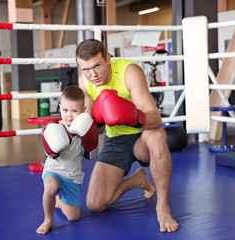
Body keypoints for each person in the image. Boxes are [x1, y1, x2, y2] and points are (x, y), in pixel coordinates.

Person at [75, 39, 179, 232]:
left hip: (142, 137)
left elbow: (156, 119)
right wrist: (79, 128)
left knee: (156, 136)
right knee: (95, 204)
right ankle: (136, 180)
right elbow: (94, 128)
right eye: (86, 69)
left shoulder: (129, 72)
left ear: (107, 58)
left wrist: (128, 116)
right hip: (115, 140)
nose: (93, 74)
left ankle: (162, 206)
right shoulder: (85, 82)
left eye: (97, 65)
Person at [36, 85, 98, 235]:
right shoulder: (55, 129)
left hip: (73, 176)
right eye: (65, 110)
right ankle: (48, 219)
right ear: (60, 108)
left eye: (74, 111)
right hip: (54, 171)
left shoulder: (85, 129)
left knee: (73, 217)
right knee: (50, 187)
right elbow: (50, 152)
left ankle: (58, 202)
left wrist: (89, 137)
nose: (69, 115)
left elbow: (88, 154)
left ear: (83, 110)